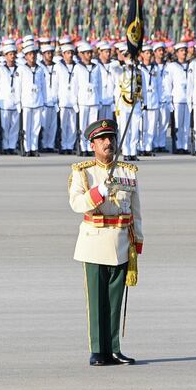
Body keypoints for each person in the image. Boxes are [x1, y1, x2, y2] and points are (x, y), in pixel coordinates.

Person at [68, 118, 143, 367]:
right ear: (92, 145)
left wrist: (137, 240)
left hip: (120, 242)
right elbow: (77, 204)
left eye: (111, 138)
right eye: (102, 139)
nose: (108, 143)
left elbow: (136, 210)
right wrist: (99, 190)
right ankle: (98, 350)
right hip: (94, 242)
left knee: (114, 301)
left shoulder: (127, 172)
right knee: (97, 301)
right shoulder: (83, 172)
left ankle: (114, 349)